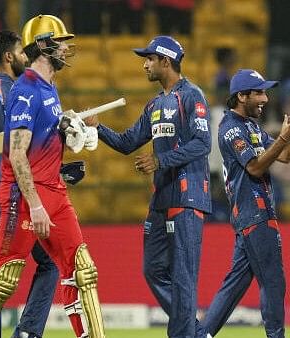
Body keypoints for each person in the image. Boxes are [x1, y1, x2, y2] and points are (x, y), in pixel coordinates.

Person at [0, 15, 105, 338]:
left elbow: (39, 141)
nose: (65, 48)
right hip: (22, 197)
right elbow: (17, 152)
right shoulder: (23, 90)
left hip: (51, 192)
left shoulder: (48, 87)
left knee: (82, 271)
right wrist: (34, 204)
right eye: (60, 42)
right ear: (44, 45)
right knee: (1, 279)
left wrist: (72, 132)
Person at [86, 35, 211, 338]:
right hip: (161, 200)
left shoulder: (192, 95)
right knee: (153, 270)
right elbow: (129, 142)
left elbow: (202, 143)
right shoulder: (155, 104)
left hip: (187, 196)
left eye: (149, 59)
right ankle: (195, 331)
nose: (144, 65)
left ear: (165, 61)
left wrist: (160, 160)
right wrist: (97, 128)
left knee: (182, 277)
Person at [198, 69, 290, 338]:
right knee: (273, 282)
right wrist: (282, 137)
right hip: (253, 213)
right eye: (259, 93)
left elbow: (287, 154)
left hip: (254, 214)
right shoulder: (231, 129)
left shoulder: (251, 127)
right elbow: (255, 168)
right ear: (241, 96)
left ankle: (201, 335)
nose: (265, 99)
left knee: (234, 285)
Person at [0, 30, 59, 338]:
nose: (26, 57)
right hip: (11, 192)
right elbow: (16, 143)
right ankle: (28, 331)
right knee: (49, 263)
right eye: (22, 52)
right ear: (9, 57)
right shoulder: (15, 91)